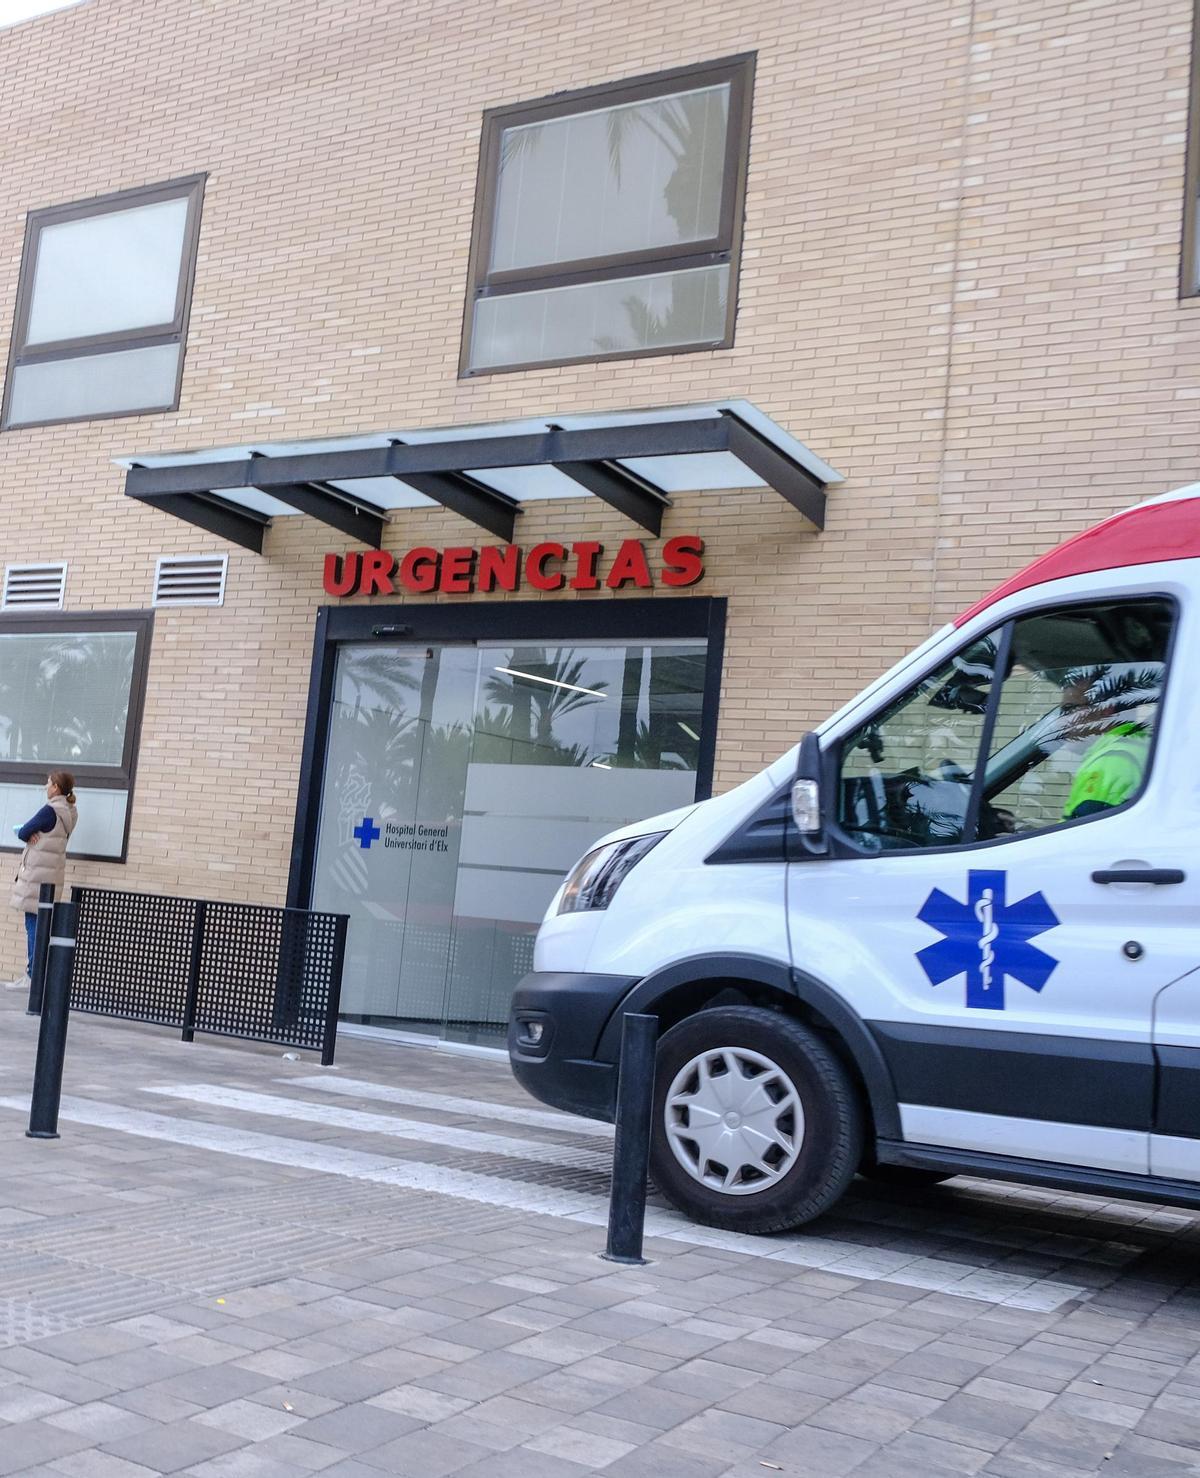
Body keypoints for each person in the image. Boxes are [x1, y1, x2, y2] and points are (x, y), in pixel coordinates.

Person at [6, 772, 78, 991]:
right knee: (41, 926)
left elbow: (23, 831)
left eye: (47, 783)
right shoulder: (70, 812)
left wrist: (28, 833)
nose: (45, 787)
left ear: (56, 788)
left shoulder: (50, 810)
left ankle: (32, 976)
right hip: (51, 878)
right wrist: (32, 833)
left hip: (36, 879)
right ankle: (37, 975)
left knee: (33, 926)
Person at [1058, 674, 1153, 821]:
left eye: (1069, 709)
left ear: (1105, 709)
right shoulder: (1136, 746)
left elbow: (1081, 839)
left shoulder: (1112, 760)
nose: (1061, 722)